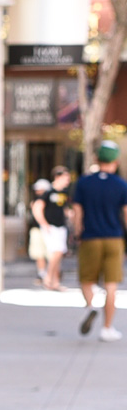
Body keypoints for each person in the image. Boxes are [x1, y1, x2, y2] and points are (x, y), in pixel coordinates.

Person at [73, 139, 127, 341]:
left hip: (90, 237)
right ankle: (107, 328)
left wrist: (78, 232)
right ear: (116, 162)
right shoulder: (121, 185)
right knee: (111, 285)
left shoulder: (84, 183)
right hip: (114, 238)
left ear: (96, 159)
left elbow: (78, 211)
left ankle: (90, 307)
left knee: (86, 280)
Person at [33, 168, 71, 290]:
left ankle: (55, 282)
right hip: (51, 227)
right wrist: (44, 224)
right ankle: (48, 278)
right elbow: (37, 207)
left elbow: (64, 209)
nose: (67, 181)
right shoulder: (48, 192)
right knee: (57, 252)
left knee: (58, 255)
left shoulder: (64, 193)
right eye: (65, 178)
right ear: (57, 177)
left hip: (61, 227)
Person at [28, 179, 51, 283]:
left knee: (48, 253)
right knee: (40, 253)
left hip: (46, 229)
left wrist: (45, 225)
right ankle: (43, 274)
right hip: (39, 229)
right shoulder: (37, 201)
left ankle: (49, 274)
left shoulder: (44, 200)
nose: (37, 191)